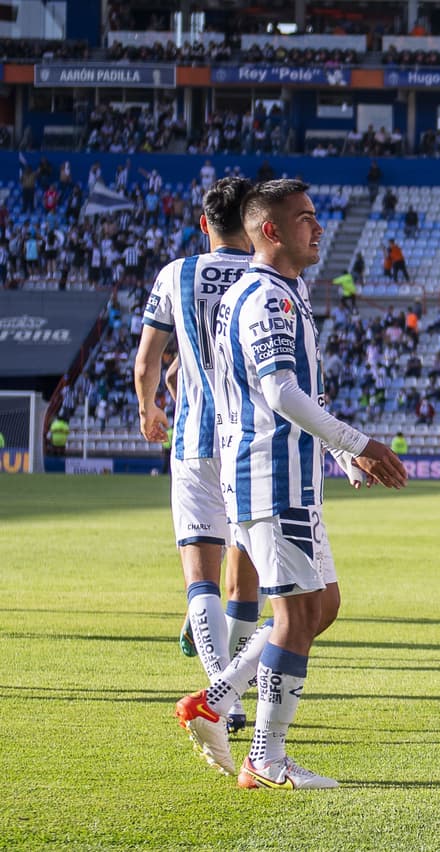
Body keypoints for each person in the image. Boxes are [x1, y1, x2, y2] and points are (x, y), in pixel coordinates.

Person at [173, 179, 407, 790]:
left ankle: (216, 698)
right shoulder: (265, 298)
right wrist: (360, 443)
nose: (318, 227)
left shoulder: (288, 290)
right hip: (270, 478)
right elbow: (278, 392)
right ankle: (266, 757)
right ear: (270, 230)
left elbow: (303, 389)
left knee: (320, 607)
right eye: (304, 218)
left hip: (291, 479)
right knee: (298, 613)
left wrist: (337, 454)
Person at [135, 177, 262, 739]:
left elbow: (148, 361)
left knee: (200, 582)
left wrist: (150, 407)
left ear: (204, 223)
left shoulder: (176, 274)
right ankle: (228, 692)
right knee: (248, 584)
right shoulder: (268, 277)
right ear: (257, 221)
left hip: (193, 442)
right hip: (254, 445)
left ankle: (225, 701)